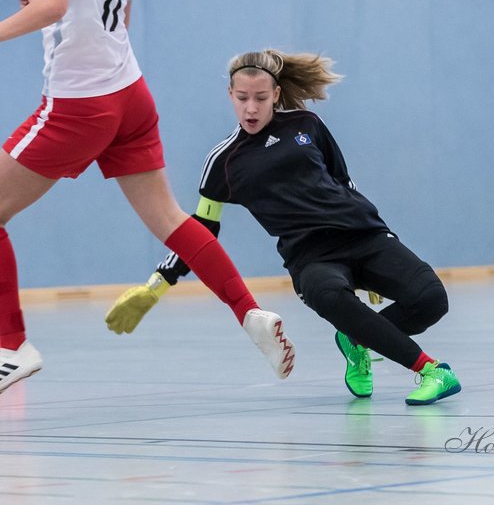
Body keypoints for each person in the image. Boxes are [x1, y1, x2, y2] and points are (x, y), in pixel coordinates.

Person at [0, 0, 295, 404]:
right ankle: (249, 312)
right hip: (130, 96)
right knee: (168, 217)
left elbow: (59, 5)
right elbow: (106, 15)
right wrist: (40, 3)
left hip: (80, 106)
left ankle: (13, 346)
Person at [105, 49, 460, 405]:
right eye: (242, 98)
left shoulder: (307, 124)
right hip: (311, 257)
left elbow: (344, 185)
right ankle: (431, 370)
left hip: (364, 236)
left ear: (275, 94)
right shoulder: (223, 162)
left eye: (260, 98)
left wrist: (385, 241)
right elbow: (200, 229)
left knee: (431, 300)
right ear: (230, 95)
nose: (251, 108)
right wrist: (158, 283)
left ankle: (354, 339)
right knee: (328, 295)